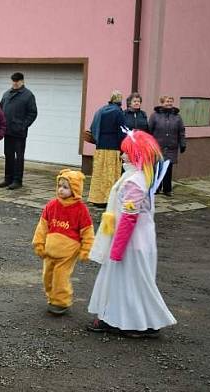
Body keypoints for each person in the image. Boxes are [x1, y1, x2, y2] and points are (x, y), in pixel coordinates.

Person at [87, 129, 176, 338]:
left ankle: (134, 324)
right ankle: (125, 319)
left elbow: (129, 217)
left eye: (126, 152)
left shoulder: (135, 181)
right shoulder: (135, 176)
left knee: (131, 284)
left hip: (131, 244)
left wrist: (117, 250)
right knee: (130, 283)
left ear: (136, 153)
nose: (122, 155)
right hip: (132, 242)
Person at [32, 169, 94, 315]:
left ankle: (61, 302)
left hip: (68, 251)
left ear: (75, 189)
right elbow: (42, 226)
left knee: (60, 277)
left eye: (66, 187)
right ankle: (51, 297)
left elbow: (87, 231)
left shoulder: (81, 209)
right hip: (50, 250)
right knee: (47, 276)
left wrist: (86, 249)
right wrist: (39, 243)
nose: (61, 189)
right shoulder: (51, 205)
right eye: (59, 185)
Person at [87, 91, 127, 207]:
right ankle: (108, 199)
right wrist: (123, 147)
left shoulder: (101, 110)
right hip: (113, 147)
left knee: (99, 174)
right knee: (110, 174)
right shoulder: (118, 112)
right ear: (119, 100)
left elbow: (93, 127)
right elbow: (122, 131)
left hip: (100, 147)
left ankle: (96, 198)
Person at [0, 72, 37, 190]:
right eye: (13, 81)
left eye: (17, 81)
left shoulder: (28, 95)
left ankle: (17, 181)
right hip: (7, 131)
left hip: (19, 133)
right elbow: (0, 110)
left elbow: (32, 113)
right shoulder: (6, 94)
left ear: (22, 81)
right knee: (8, 155)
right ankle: (7, 179)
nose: (14, 83)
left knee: (18, 157)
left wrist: (23, 125)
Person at [148, 95, 186, 197]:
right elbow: (149, 131)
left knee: (168, 169)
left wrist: (183, 143)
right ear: (162, 103)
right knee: (157, 167)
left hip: (171, 147)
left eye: (170, 101)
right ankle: (156, 187)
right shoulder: (155, 116)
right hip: (157, 146)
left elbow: (181, 131)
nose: (169, 103)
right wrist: (148, 144)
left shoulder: (177, 117)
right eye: (166, 101)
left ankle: (167, 189)